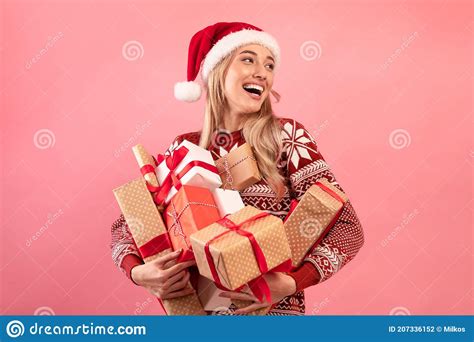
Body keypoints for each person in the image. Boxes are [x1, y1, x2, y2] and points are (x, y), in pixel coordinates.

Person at [110, 22, 365, 315]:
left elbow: (348, 227)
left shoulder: (285, 137)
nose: (262, 72)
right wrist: (139, 273)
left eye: (270, 65)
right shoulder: (183, 150)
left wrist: (293, 282)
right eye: (248, 59)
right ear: (217, 69)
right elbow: (127, 225)